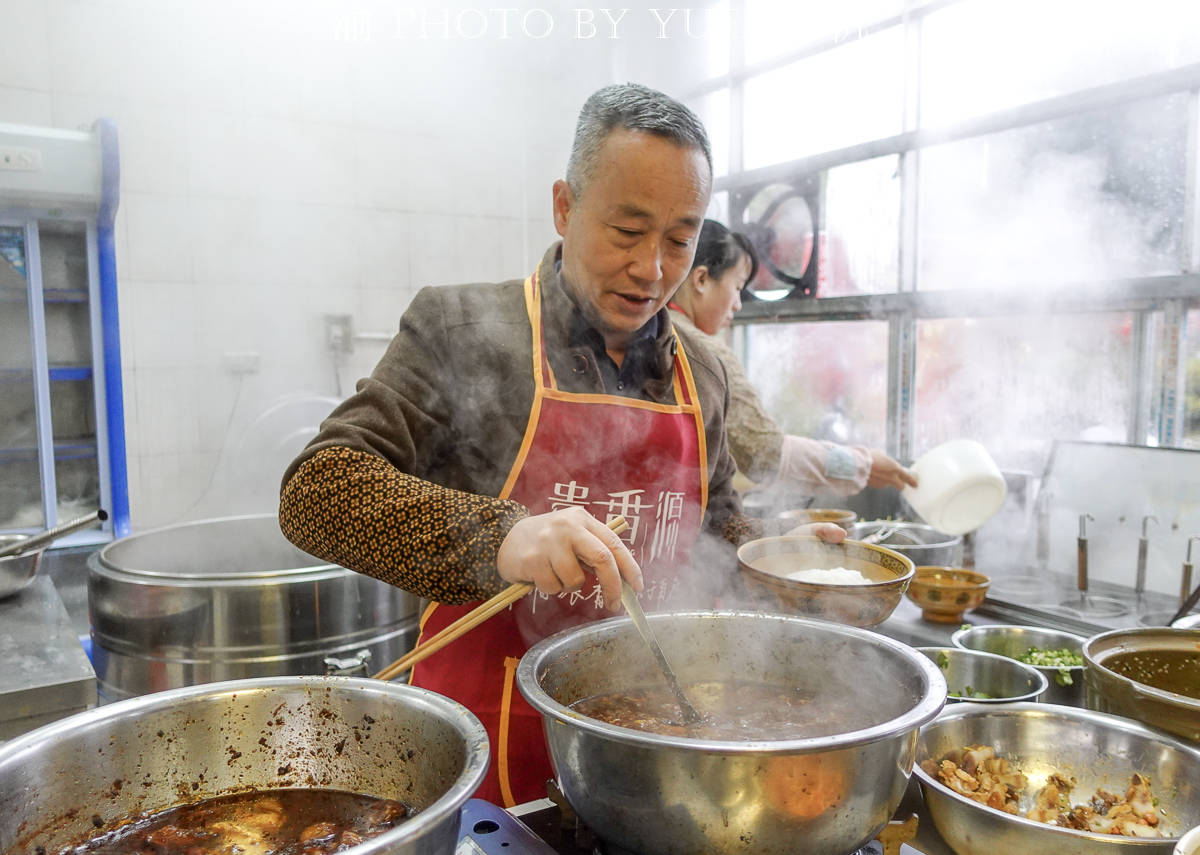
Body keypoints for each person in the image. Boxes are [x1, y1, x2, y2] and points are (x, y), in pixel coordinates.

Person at [278, 84, 843, 807]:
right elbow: (318, 489)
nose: (653, 268)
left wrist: (775, 554)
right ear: (565, 207)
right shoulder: (464, 330)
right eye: (627, 230)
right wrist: (503, 536)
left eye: (679, 238)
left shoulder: (701, 371)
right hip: (484, 752)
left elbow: (715, 520)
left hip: (657, 754)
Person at [667, 219, 918, 496]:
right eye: (737, 286)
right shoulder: (705, 353)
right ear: (701, 279)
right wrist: (862, 465)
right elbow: (764, 453)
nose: (738, 304)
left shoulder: (651, 329)